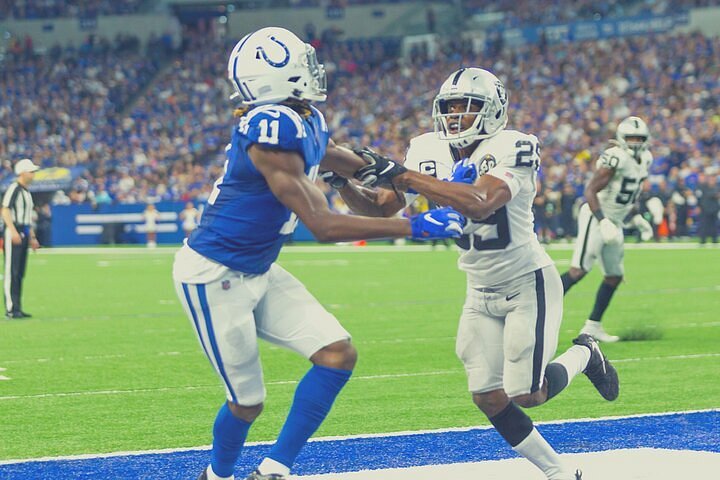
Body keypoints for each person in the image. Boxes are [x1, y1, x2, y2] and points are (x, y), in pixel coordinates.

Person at [171, 27, 464, 480]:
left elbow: (343, 160)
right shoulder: (268, 127)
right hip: (215, 274)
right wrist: (415, 225)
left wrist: (411, 177)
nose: (314, 70)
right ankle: (217, 475)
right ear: (276, 74)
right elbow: (323, 225)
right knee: (247, 404)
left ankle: (273, 471)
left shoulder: (304, 120)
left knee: (336, 353)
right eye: (302, 63)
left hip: (259, 268)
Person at [329, 68, 619, 480]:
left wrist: (400, 173)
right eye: (449, 107)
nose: (455, 116)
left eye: (468, 107)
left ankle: (585, 353)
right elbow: (381, 206)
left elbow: (482, 201)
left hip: (526, 282)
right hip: (478, 287)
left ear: (494, 109)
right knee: (487, 395)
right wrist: (341, 181)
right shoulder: (425, 147)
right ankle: (560, 472)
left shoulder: (514, 144)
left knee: (528, 393)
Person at [559, 116, 654, 342]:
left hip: (616, 220)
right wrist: (602, 220)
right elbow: (590, 190)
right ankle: (534, 310)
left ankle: (592, 326)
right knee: (578, 270)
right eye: (630, 137)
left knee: (614, 276)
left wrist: (636, 216)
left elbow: (628, 194)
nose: (635, 142)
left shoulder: (646, 159)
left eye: (639, 138)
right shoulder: (615, 158)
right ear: (621, 138)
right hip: (596, 216)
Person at [2, 158, 41, 318]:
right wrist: (12, 231)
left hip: (23, 231)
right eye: (31, 172)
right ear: (23, 173)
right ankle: (11, 308)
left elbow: (27, 218)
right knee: (12, 271)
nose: (33, 175)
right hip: (15, 230)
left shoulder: (26, 192)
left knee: (19, 272)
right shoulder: (14, 188)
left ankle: (17, 307)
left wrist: (32, 237)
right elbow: (5, 210)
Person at [696, 173, 719, 245]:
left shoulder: (717, 187)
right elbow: (700, 197)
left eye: (713, 179)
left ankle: (714, 240)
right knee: (704, 225)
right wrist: (698, 206)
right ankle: (703, 240)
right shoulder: (703, 187)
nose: (712, 180)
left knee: (714, 225)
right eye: (711, 179)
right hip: (705, 208)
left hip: (714, 209)